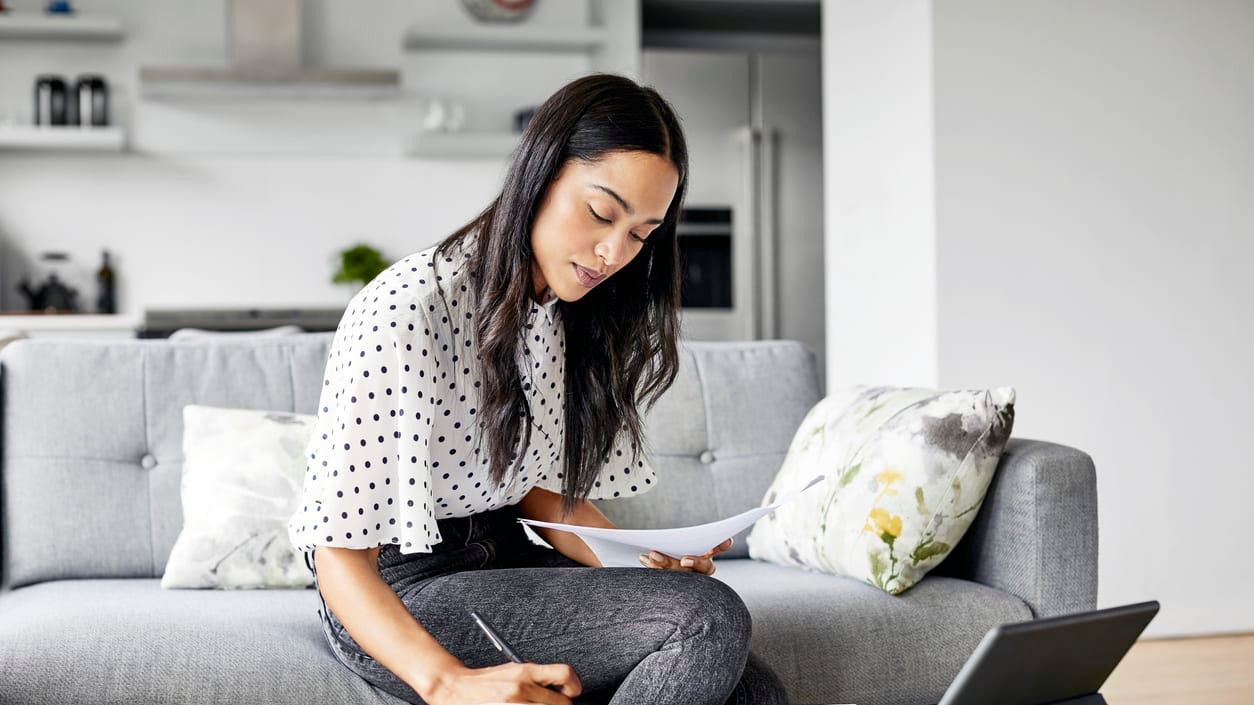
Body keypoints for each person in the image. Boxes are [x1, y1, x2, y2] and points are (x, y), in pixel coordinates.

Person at [287, 72, 790, 705]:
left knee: (753, 691)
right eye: (601, 213)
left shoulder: (557, 309)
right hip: (398, 594)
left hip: (500, 559)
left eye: (640, 234)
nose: (613, 252)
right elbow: (338, 554)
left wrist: (647, 563)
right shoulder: (409, 308)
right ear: (541, 173)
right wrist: (448, 685)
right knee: (708, 617)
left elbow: (543, 500)